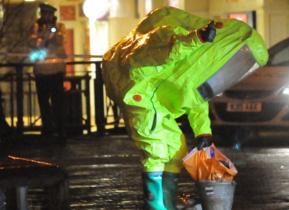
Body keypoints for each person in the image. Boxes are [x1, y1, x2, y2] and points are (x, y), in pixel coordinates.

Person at [102, 7, 269, 210]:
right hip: (140, 93)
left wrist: (202, 131)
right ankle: (156, 206)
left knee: (175, 148)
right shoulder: (166, 35)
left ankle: (166, 203)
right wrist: (195, 39)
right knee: (156, 149)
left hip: (156, 97)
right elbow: (154, 54)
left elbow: (195, 94)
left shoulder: (201, 60)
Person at [29, 3, 66, 140]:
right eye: (44, 14)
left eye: (49, 14)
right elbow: (34, 43)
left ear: (53, 15)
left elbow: (59, 40)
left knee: (58, 103)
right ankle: (48, 130)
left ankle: (60, 130)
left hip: (56, 71)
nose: (46, 16)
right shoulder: (35, 27)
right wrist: (45, 37)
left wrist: (50, 34)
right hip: (41, 72)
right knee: (44, 104)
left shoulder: (59, 26)